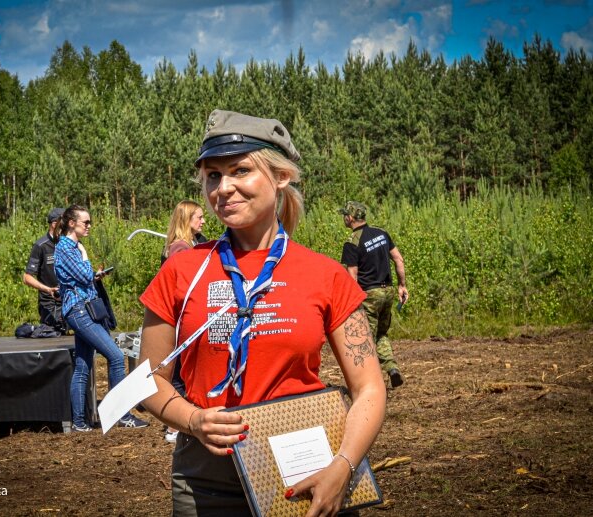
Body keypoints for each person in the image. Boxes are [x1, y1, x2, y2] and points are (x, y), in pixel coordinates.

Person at [139, 110, 386, 516]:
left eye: (240, 170)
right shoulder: (181, 270)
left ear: (281, 176)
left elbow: (370, 389)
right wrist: (193, 420)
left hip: (308, 471)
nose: (224, 188)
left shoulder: (326, 274)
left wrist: (343, 466)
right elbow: (147, 380)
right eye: (213, 176)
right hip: (206, 482)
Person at [54, 204, 149, 432]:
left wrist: (93, 275)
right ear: (71, 223)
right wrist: (86, 258)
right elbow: (84, 275)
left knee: (83, 366)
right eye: (85, 222)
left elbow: (83, 278)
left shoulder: (71, 248)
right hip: (79, 311)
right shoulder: (67, 248)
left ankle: (79, 422)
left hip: (82, 309)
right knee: (116, 357)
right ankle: (122, 415)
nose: (89, 226)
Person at [339, 201, 409, 388]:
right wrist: (402, 286)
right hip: (388, 291)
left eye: (345, 215)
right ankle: (392, 368)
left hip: (369, 295)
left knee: (365, 338)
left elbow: (352, 276)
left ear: (350, 218)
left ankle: (367, 384)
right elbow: (398, 259)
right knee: (381, 334)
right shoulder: (381, 233)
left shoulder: (352, 242)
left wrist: (351, 302)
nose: (344, 218)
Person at [160, 200, 206, 443]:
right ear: (187, 220)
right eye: (199, 217)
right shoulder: (181, 249)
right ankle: (175, 426)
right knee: (181, 372)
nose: (203, 221)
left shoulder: (190, 245)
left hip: (185, 318)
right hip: (182, 319)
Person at [23, 207, 65, 333]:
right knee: (53, 337)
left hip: (69, 300)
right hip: (49, 304)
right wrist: (48, 290)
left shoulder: (69, 243)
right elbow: (27, 278)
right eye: (64, 222)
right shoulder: (41, 245)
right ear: (54, 224)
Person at [161, 200, 206, 265]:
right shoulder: (179, 248)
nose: (203, 221)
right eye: (200, 218)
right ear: (187, 219)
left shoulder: (199, 239)